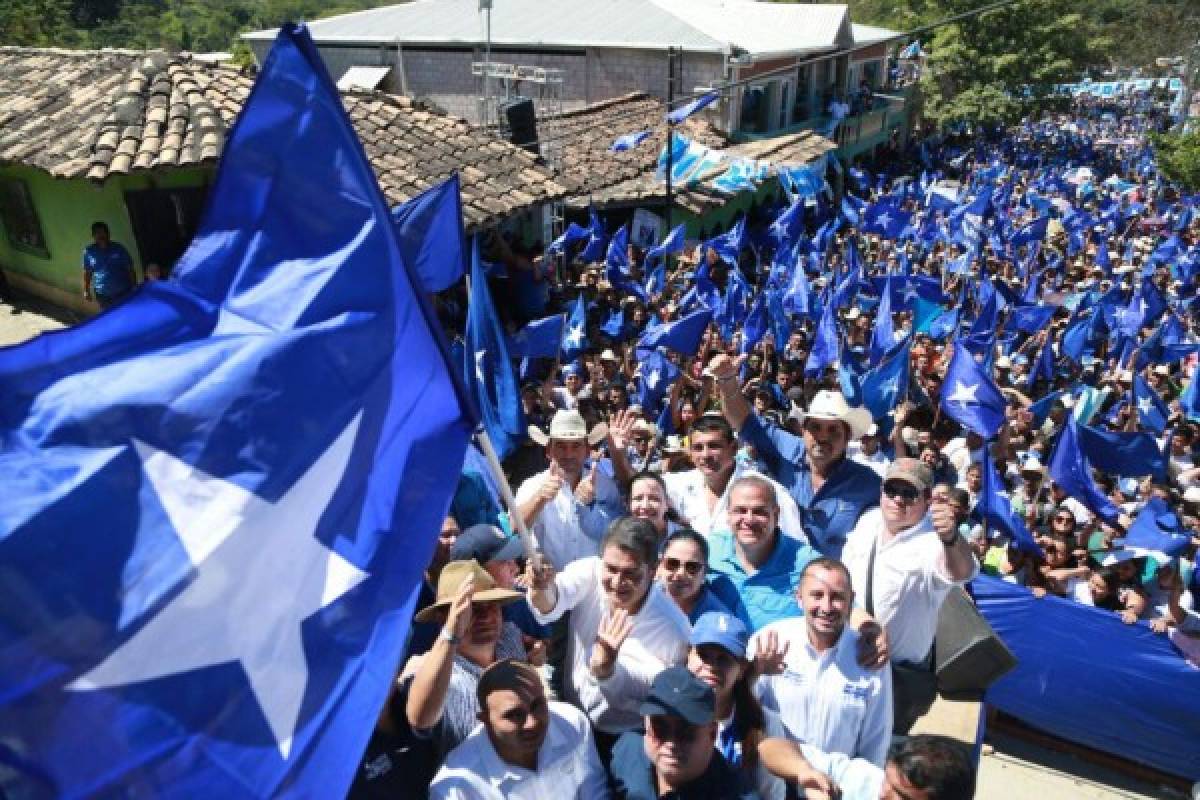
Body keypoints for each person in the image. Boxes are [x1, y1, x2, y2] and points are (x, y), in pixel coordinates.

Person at [841, 459, 979, 733]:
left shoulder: (933, 542)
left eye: (909, 493)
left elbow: (962, 571)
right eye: (891, 489)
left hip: (894, 678)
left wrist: (951, 538)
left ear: (927, 499)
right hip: (844, 659)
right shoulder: (868, 521)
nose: (897, 499)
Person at [525, 517, 690, 738]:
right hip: (576, 720)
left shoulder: (674, 628)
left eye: (630, 573)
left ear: (652, 571)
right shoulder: (589, 572)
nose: (617, 581)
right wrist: (541, 586)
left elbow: (671, 693)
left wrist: (609, 670)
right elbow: (550, 602)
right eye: (611, 569)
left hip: (630, 735)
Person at [709, 355, 882, 558]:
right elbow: (744, 420)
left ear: (847, 439)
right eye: (815, 427)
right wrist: (728, 380)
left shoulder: (867, 483)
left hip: (828, 584)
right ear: (803, 431)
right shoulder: (787, 448)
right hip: (776, 580)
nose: (822, 437)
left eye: (833, 430)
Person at [391, 560, 527, 783]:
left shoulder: (510, 637)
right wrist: (452, 633)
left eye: (492, 604)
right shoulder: (429, 672)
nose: (485, 616)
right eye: (472, 609)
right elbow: (421, 719)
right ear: (443, 617)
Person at [748, 559, 892, 768]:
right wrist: (754, 671)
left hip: (836, 787)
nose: (826, 607)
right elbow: (742, 711)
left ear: (851, 600)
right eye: (817, 595)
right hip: (774, 781)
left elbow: (877, 737)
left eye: (837, 597)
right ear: (799, 598)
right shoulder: (769, 641)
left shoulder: (870, 655)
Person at [429, 660, 611, 799]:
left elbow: (595, 792)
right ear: (484, 720)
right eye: (515, 715)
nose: (531, 723)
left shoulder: (572, 723)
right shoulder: (455, 788)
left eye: (538, 705)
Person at [609, 666, 758, 799]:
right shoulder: (627, 751)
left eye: (685, 733)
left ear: (712, 734)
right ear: (645, 724)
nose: (671, 743)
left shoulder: (735, 793)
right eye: (660, 728)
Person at [687, 612, 791, 800]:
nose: (711, 666)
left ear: (742, 668)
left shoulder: (764, 723)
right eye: (703, 656)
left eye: (723, 659)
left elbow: (772, 795)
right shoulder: (671, 713)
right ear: (688, 656)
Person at [706, 475, 822, 632]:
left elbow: (846, 606)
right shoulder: (708, 550)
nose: (749, 519)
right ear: (728, 515)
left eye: (759, 511)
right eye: (740, 511)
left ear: (776, 514)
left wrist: (866, 628)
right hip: (717, 654)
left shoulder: (806, 562)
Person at [662, 415, 804, 541]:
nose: (705, 455)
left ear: (734, 447)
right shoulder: (676, 485)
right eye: (698, 448)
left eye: (714, 446)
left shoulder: (768, 491)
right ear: (690, 453)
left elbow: (794, 542)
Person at [515, 409, 624, 570]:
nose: (568, 454)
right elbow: (513, 532)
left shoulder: (606, 486)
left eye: (576, 446)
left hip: (596, 586)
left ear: (587, 450)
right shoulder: (532, 486)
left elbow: (618, 534)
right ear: (548, 450)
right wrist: (540, 498)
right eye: (560, 446)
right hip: (552, 586)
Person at [759, 734, 977, 800]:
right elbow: (770, 747)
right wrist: (804, 771)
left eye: (901, 796)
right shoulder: (862, 780)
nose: (883, 794)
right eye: (887, 781)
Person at [657, 528, 732, 623]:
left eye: (692, 567)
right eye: (672, 563)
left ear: (705, 572)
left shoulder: (718, 621)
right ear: (659, 565)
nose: (681, 573)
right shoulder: (642, 599)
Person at [82, 221, 137, 310]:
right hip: (103, 296)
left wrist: (135, 287)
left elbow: (130, 268)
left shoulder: (119, 248)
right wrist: (86, 290)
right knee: (111, 319)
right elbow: (87, 272)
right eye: (97, 233)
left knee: (127, 316)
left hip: (124, 292)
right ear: (93, 235)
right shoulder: (88, 252)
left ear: (108, 233)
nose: (101, 235)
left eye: (103, 232)